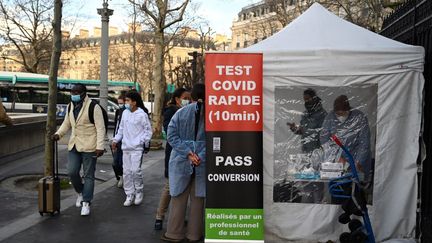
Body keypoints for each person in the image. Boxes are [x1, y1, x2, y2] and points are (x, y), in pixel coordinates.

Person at [161, 83, 206, 243]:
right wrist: (199, 154)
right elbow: (216, 139)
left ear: (192, 97)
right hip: (202, 161)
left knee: (178, 197)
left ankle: (174, 233)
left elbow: (171, 135)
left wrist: (188, 153)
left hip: (181, 160)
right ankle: (194, 234)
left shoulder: (180, 112)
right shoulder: (212, 114)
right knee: (198, 200)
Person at [52, 84, 105, 216]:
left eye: (76, 92)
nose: (73, 94)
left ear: (83, 93)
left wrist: (100, 146)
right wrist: (59, 134)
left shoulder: (94, 106)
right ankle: (81, 192)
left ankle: (86, 202)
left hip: (90, 146)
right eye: (72, 92)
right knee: (72, 172)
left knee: (88, 175)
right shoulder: (70, 105)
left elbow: (100, 128)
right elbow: (67, 123)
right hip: (74, 145)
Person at [155, 88, 191, 230]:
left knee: (185, 187)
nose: (187, 100)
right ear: (177, 98)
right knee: (170, 186)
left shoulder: (189, 110)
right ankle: (159, 216)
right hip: (175, 154)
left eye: (189, 97)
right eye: (185, 97)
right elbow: (171, 134)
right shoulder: (171, 111)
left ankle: (180, 217)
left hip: (189, 154)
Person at [112, 91, 152, 207]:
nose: (126, 103)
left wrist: (142, 142)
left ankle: (139, 191)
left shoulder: (142, 114)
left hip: (137, 149)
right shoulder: (124, 113)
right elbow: (121, 129)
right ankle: (129, 194)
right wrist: (115, 140)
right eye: (125, 101)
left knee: (135, 171)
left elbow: (148, 131)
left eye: (128, 101)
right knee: (126, 173)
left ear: (134, 102)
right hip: (126, 148)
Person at [320, 95, 371, 181]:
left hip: (357, 161)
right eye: (338, 114)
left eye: (343, 113)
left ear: (348, 109)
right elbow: (324, 139)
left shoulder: (359, 117)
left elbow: (364, 142)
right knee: (338, 190)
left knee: (355, 190)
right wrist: (336, 157)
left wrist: (358, 162)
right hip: (338, 162)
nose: (341, 116)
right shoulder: (330, 118)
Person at [287, 88, 327, 153]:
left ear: (314, 98)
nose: (306, 101)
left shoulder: (322, 114)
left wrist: (304, 131)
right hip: (306, 150)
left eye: (308, 99)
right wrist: (295, 129)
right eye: (305, 99)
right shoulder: (305, 114)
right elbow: (303, 130)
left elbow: (323, 133)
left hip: (317, 151)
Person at [112, 94, 126, 188]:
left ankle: (123, 178)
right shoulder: (118, 111)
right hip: (117, 140)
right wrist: (114, 138)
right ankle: (119, 176)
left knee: (121, 162)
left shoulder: (127, 112)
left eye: (121, 103)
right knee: (115, 163)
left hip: (125, 141)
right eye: (119, 103)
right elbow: (116, 126)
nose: (120, 105)